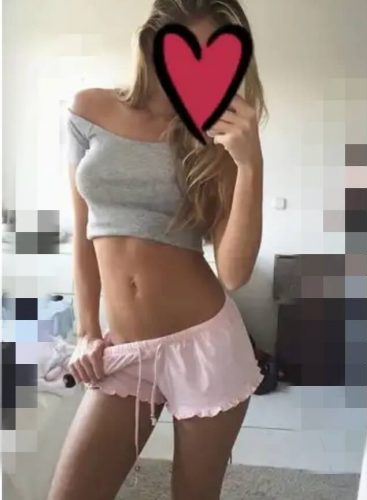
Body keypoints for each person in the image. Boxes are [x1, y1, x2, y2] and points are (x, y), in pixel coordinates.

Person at [47, 1, 267, 499]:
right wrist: (87, 331)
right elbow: (83, 232)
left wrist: (250, 165)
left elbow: (234, 272)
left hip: (206, 346)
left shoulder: (217, 138)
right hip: (126, 349)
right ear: (152, 43)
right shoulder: (88, 109)